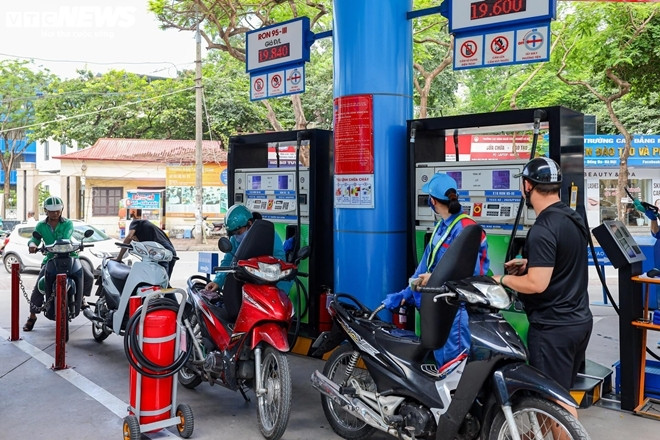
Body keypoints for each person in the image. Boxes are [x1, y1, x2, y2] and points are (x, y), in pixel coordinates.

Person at [492, 157, 592, 418]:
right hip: (578, 322)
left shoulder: (543, 228)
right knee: (561, 396)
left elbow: (536, 284)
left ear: (528, 186)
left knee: (554, 406)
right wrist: (531, 263)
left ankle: (571, 435)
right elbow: (566, 260)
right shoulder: (572, 218)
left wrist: (501, 280)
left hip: (553, 328)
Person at [383, 173, 489, 367]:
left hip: (455, 307)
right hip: (437, 303)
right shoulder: (441, 226)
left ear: (432, 201)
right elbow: (424, 266)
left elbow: (470, 273)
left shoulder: (466, 229)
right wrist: (406, 292)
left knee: (453, 364)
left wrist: (434, 278)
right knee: (441, 361)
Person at [23, 196, 88, 331]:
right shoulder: (41, 226)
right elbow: (34, 239)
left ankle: (82, 297)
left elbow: (65, 237)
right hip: (51, 259)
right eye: (52, 211)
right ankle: (32, 316)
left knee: (87, 274)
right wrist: (32, 245)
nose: (55, 213)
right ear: (46, 211)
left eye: (58, 210)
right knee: (39, 286)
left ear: (61, 210)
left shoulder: (67, 223)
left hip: (70, 256)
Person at [205, 204, 287, 293]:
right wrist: (217, 281)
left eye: (238, 232)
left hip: (271, 283)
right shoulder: (234, 239)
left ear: (249, 224)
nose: (236, 236)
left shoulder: (268, 235)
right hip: (246, 283)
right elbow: (228, 261)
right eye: (234, 234)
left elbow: (280, 260)